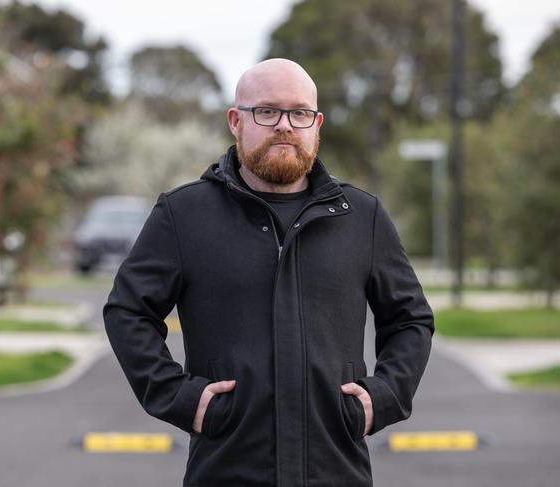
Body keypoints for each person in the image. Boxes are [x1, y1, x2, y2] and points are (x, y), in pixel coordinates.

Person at [104, 58, 434, 487]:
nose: (284, 125)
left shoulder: (361, 216)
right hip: (226, 470)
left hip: (336, 471)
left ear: (317, 125)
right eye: (267, 111)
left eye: (299, 113)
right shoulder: (183, 215)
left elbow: (411, 320)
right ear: (235, 121)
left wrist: (383, 397)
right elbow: (127, 312)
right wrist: (181, 399)